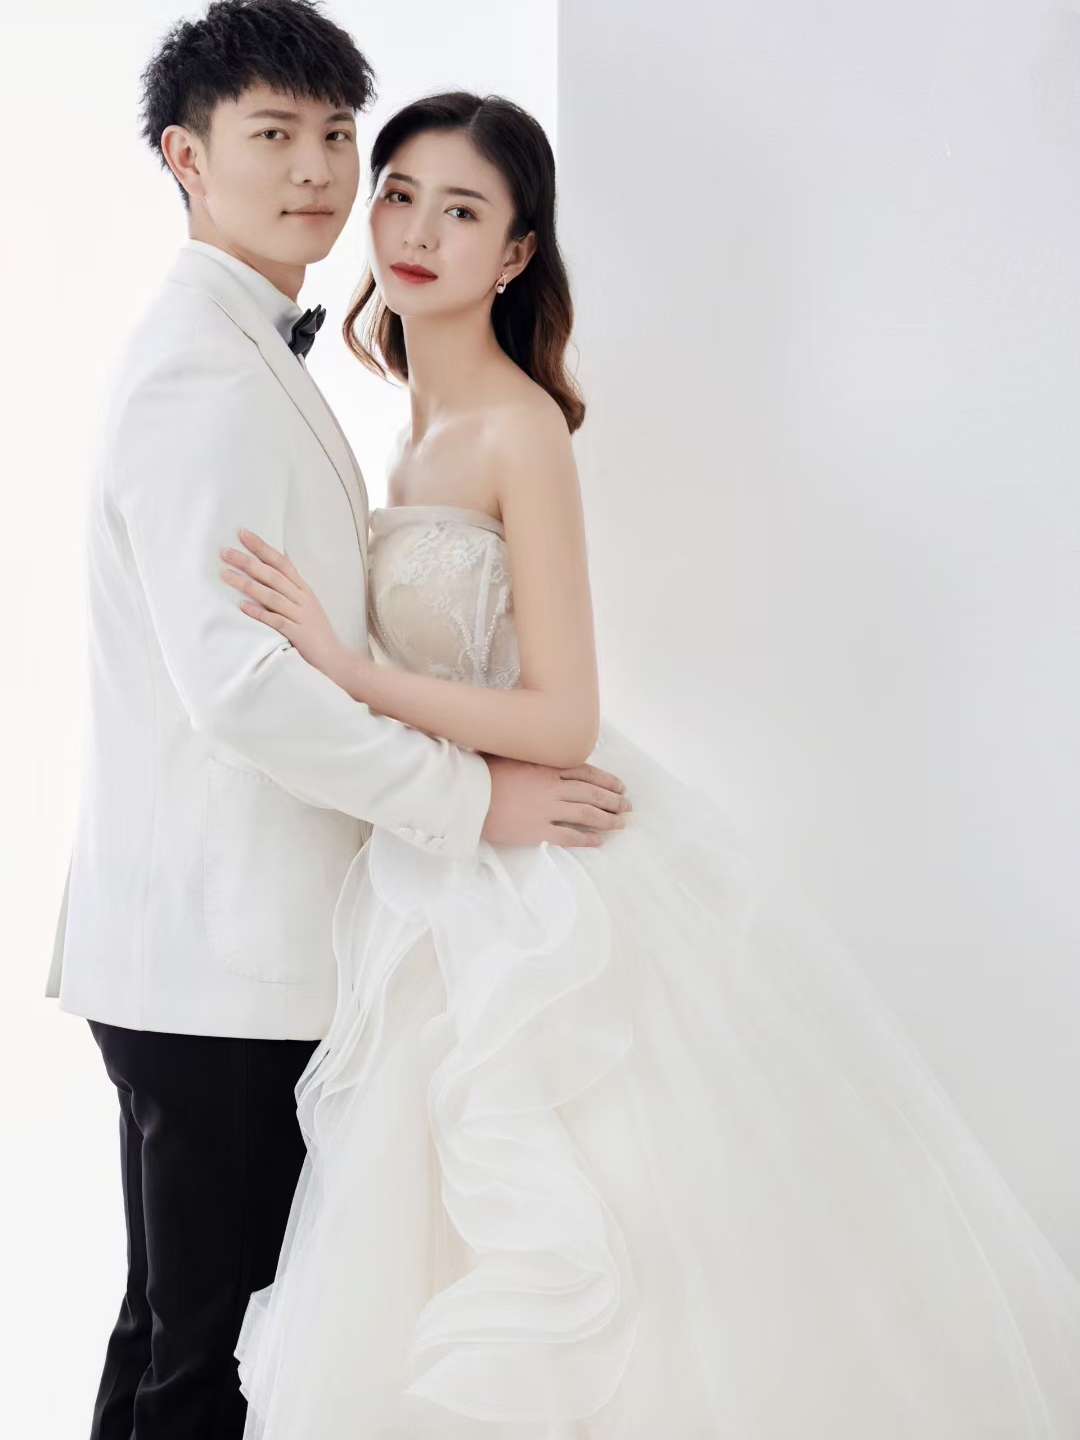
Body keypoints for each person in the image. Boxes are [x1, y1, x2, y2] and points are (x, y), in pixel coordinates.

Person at [223, 90, 1080, 1438]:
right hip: (440, 864)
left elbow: (563, 715)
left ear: (517, 253)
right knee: (425, 1234)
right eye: (399, 194)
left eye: (464, 210)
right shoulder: (403, 427)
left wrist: (347, 668)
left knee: (590, 1239)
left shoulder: (516, 427)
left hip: (537, 877)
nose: (418, 232)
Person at [47, 6, 627, 1438]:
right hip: (218, 957)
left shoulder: (280, 361)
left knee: (183, 1336)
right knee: (204, 1357)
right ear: (186, 158)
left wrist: (376, 692)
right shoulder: (202, 366)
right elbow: (242, 689)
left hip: (263, 949)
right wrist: (473, 799)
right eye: (273, 135)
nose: (316, 171)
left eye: (332, 136)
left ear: (518, 249)